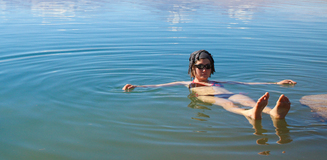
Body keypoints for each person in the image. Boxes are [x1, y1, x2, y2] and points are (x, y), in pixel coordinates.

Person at [122, 50, 296, 121]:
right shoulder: (187, 83)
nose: (204, 70)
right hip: (208, 96)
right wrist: (138, 86)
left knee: (246, 99)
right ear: (192, 68)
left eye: (207, 67)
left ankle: (272, 112)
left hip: (226, 92)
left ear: (211, 68)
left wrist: (276, 83)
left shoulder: (219, 82)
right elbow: (160, 85)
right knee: (229, 105)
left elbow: (245, 82)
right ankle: (248, 114)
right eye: (200, 67)